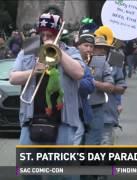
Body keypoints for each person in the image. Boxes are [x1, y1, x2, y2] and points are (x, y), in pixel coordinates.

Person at [9, 8, 84, 180]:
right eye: (43, 34)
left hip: (63, 122)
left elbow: (79, 73)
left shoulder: (71, 52)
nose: (46, 38)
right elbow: (13, 78)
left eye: (51, 34)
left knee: (61, 175)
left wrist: (58, 51)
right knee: (28, 172)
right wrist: (34, 71)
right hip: (32, 120)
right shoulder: (28, 51)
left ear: (58, 34)